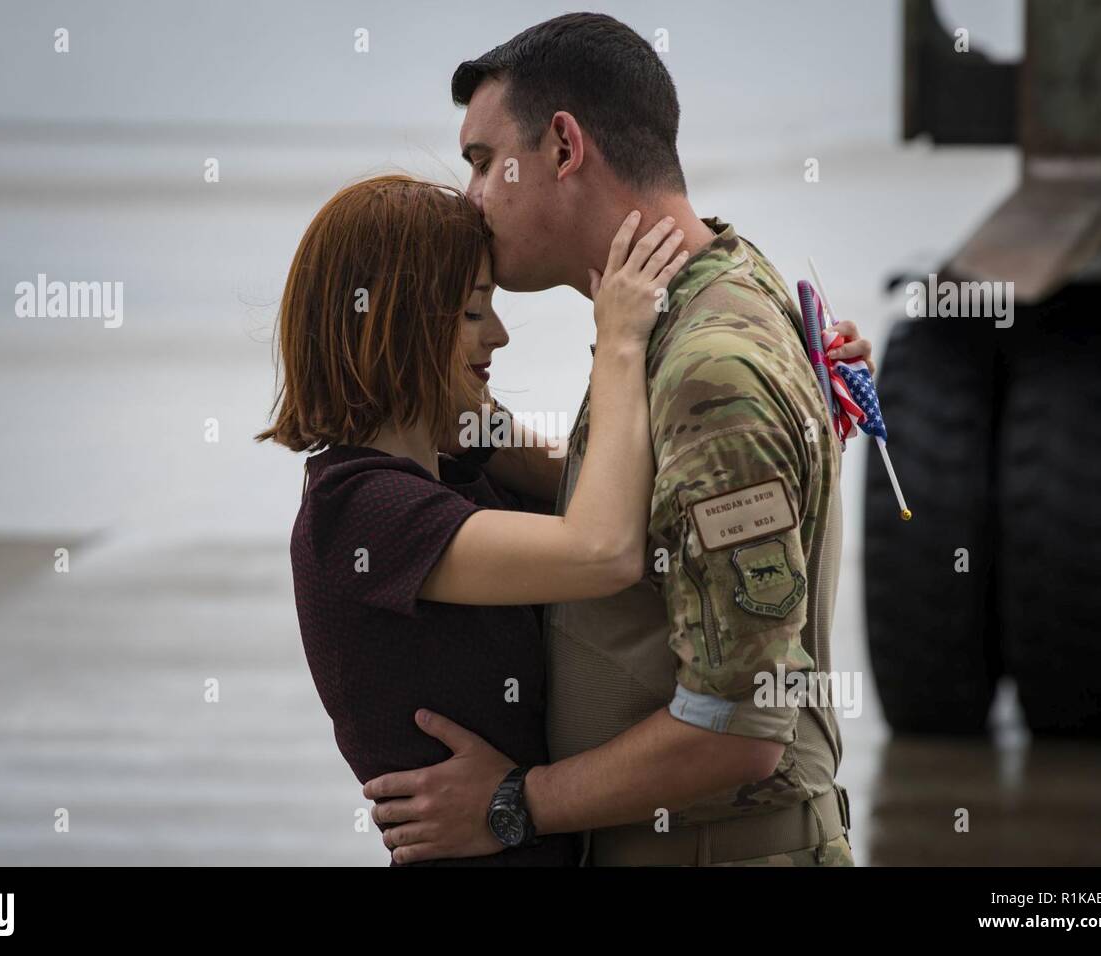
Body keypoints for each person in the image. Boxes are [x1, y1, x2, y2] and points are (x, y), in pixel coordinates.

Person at [363, 12, 873, 866]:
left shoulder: (709, 364)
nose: (472, 199)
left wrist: (508, 806)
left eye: (484, 163)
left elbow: (738, 728)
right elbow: (600, 484)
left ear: (563, 148)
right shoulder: (693, 300)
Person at [258, 173, 692, 865]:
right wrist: (617, 340)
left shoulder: (455, 482)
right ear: (395, 324)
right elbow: (602, 548)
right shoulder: (362, 513)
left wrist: (798, 383)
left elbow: (610, 494)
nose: (499, 334)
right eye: (470, 313)